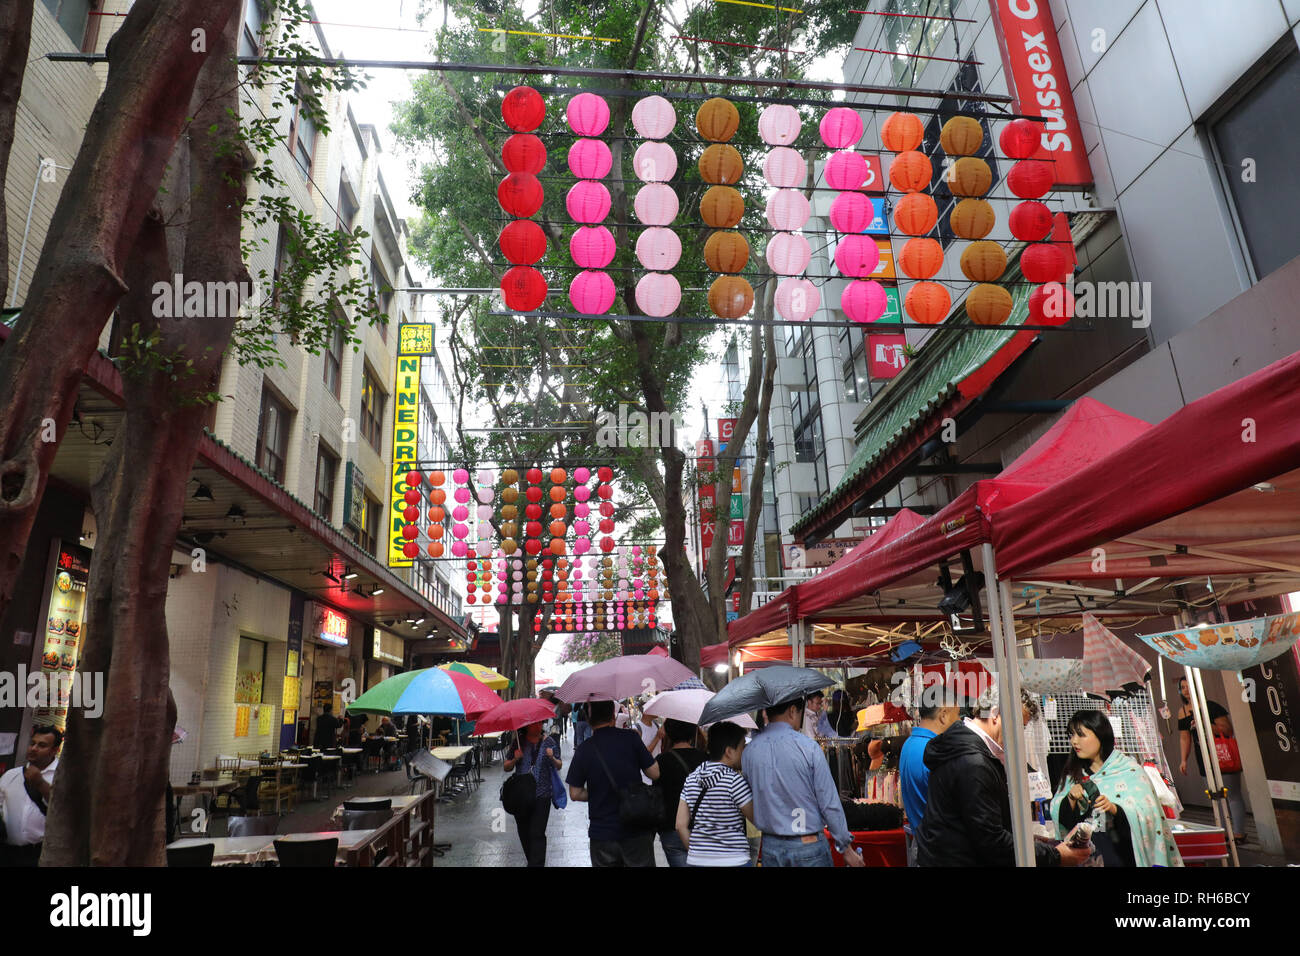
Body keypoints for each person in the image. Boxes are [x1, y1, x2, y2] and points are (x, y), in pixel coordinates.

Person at [915, 688, 1088, 867]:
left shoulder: (966, 748)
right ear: (996, 714)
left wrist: (1032, 845)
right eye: (1019, 726)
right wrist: (1054, 855)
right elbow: (990, 840)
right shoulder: (973, 762)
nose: (1019, 735)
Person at [742, 697, 864, 867]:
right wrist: (846, 847)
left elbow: (748, 799)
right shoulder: (808, 747)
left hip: (771, 847)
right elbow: (828, 802)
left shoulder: (750, 752)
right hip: (808, 845)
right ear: (792, 711)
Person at [1051, 710, 1183, 867]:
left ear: (1100, 734)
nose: (1074, 741)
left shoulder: (1129, 771)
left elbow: (1148, 815)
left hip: (1122, 857)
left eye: (1081, 735)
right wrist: (1071, 799)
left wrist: (1115, 809)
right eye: (1071, 735)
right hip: (1086, 860)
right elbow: (1065, 825)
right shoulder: (1072, 774)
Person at [566, 699, 660, 866]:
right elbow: (654, 773)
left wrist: (596, 792)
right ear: (613, 716)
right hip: (636, 828)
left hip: (602, 834)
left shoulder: (584, 749)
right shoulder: (631, 738)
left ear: (588, 720)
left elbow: (574, 793)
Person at [1177, 677, 1247, 842]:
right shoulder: (1183, 711)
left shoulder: (1212, 706)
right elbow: (1184, 738)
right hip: (1203, 758)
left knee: (1232, 795)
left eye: (1188, 686)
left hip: (1223, 755)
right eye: (1182, 687)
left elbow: (1227, 730)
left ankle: (1239, 833)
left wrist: (1203, 723)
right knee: (1215, 797)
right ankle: (1223, 832)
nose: (1185, 690)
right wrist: (1183, 760)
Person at [677, 721, 755, 867]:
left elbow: (680, 825)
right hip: (734, 860)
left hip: (696, 861)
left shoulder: (691, 779)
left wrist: (698, 852)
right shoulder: (735, 781)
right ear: (729, 751)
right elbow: (757, 819)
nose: (745, 751)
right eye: (742, 747)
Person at [898, 700, 960, 865]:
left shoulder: (909, 744)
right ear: (944, 714)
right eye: (957, 714)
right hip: (938, 850)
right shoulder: (934, 750)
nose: (959, 721)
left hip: (922, 844)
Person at [0, 726, 61, 866]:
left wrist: (40, 784)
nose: (34, 748)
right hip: (7, 853)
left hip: (39, 856)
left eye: (42, 745)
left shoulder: (63, 778)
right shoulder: (11, 775)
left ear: (55, 750)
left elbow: (64, 811)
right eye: (32, 743)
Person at [503, 722, 562, 867]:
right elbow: (506, 767)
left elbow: (559, 764)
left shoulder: (549, 741)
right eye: (534, 724)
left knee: (537, 833)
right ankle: (533, 861)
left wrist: (552, 757)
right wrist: (516, 758)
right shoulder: (519, 742)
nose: (538, 726)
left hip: (542, 795)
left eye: (539, 723)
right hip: (521, 796)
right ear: (527, 725)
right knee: (524, 833)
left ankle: (536, 863)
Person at [653, 718, 704, 867]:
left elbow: (657, 794)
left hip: (671, 828)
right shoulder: (705, 760)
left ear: (668, 733)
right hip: (701, 828)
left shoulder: (661, 760)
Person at [636, 710, 664, 784]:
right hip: (645, 776)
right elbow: (643, 755)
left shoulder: (656, 725)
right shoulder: (637, 729)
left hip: (658, 770)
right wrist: (657, 737)